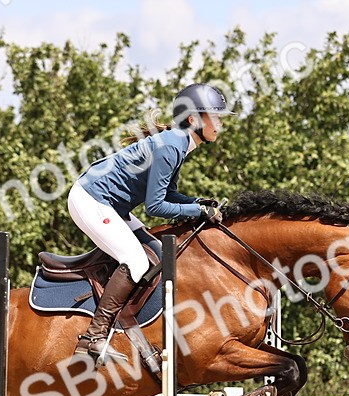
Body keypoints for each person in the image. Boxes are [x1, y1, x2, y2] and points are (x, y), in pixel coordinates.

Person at [66, 83, 232, 362]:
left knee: (156, 252)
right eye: (214, 117)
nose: (220, 124)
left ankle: (133, 330)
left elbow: (168, 194)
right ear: (193, 119)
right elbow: (156, 207)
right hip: (91, 200)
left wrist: (198, 202)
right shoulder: (171, 145)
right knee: (136, 261)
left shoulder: (179, 142)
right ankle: (93, 336)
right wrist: (197, 211)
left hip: (111, 205)